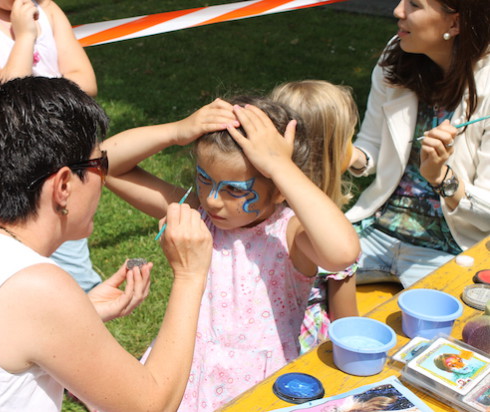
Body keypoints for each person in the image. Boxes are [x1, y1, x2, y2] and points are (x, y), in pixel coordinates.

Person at [0, 77, 214, 412]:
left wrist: (81, 314)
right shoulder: (37, 288)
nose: (104, 177)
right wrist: (189, 274)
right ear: (63, 185)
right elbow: (151, 405)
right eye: (100, 165)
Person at [101, 96, 360, 410]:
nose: (212, 200)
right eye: (203, 180)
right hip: (183, 378)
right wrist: (177, 131)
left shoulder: (288, 235)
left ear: (279, 188)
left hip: (256, 390)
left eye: (235, 190)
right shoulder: (198, 215)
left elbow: (343, 252)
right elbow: (105, 164)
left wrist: (280, 165)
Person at [0, 0, 101, 291]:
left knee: (73, 272)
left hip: (56, 164)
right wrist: (25, 37)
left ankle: (80, 324)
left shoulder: (48, 10)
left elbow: (86, 81)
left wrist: (32, 108)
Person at [345, 0, 490, 288]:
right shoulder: (397, 54)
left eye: (414, 4)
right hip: (377, 229)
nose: (398, 11)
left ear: (455, 24)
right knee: (292, 276)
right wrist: (344, 154)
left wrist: (441, 178)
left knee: (448, 330)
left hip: (450, 250)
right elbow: (371, 146)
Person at [270, 80, 360, 354]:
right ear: (332, 154)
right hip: (303, 350)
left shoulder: (258, 214)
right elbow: (348, 326)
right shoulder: (328, 233)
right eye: (349, 139)